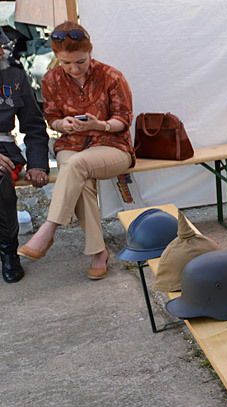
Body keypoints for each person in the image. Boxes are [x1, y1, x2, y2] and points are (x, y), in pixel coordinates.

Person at [18, 21, 134, 280]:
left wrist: (100, 125)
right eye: (66, 63)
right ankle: (99, 252)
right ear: (57, 58)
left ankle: (49, 228)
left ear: (90, 52)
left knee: (75, 166)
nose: (74, 69)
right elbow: (52, 118)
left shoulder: (111, 76)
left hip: (111, 145)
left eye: (80, 61)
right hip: (70, 144)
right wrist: (63, 125)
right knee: (79, 179)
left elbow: (124, 120)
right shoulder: (51, 80)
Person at [0, 27, 49, 283]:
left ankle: (8, 252)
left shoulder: (14, 74)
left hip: (5, 151)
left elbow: (34, 126)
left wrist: (38, 164)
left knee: (1, 178)